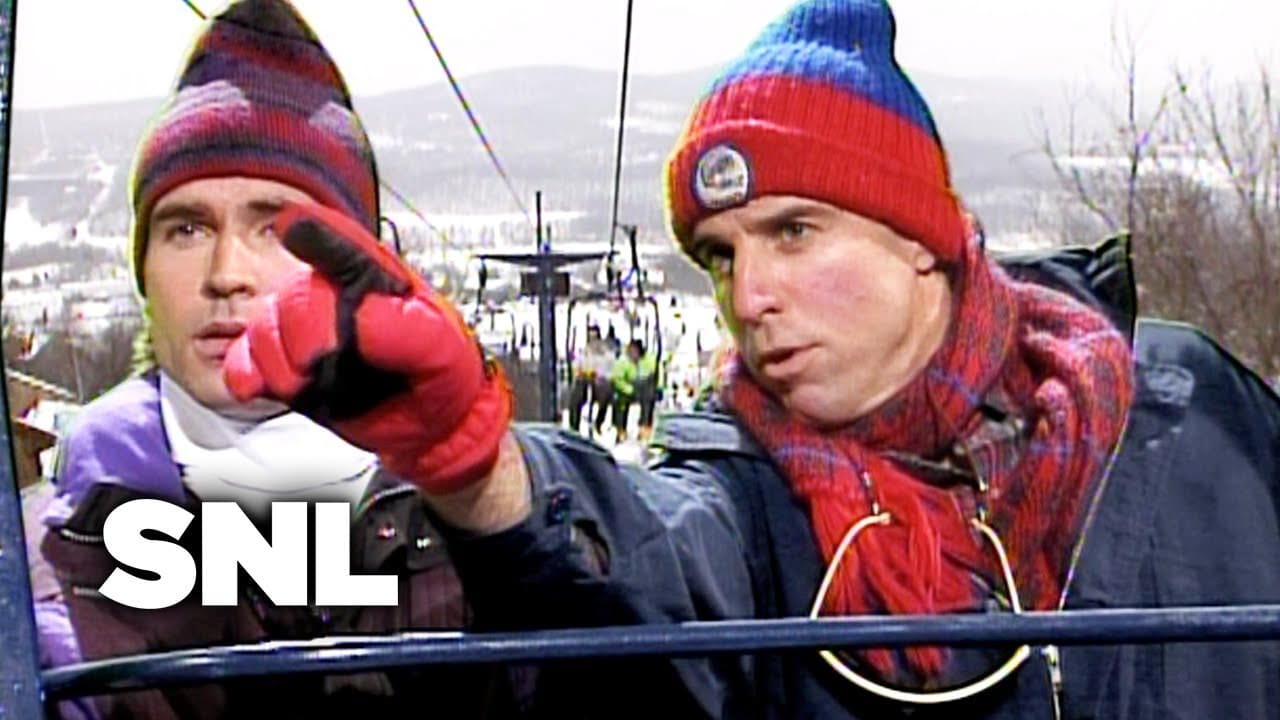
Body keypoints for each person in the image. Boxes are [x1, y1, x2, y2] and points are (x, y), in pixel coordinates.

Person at [220, 1, 1280, 718]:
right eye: (720, 256)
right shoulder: (746, 499)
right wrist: (483, 479)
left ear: (920, 239)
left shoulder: (1187, 412)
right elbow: (645, 583)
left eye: (794, 232)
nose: (748, 296)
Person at [30, 1, 521, 717]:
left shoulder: (477, 508)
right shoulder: (55, 561)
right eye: (187, 229)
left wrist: (486, 494)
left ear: (354, 261)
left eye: (275, 229)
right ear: (143, 271)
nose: (226, 274)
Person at [566, 324, 614, 436]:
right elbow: (577, 367)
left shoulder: (606, 354)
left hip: (600, 382)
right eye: (590, 338)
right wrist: (580, 373)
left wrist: (599, 375)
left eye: (595, 338)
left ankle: (599, 422)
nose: (593, 341)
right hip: (585, 381)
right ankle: (574, 427)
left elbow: (610, 371)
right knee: (576, 395)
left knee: (605, 391)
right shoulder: (584, 353)